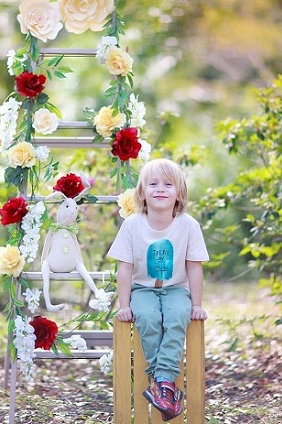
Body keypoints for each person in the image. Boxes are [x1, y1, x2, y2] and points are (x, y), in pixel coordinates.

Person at [108, 158, 209, 421]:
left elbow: (194, 267)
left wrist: (196, 304)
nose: (160, 189)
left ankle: (161, 383)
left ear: (179, 194)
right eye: (152, 184)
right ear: (142, 192)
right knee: (149, 319)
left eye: (168, 184)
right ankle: (166, 385)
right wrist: (124, 306)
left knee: (177, 317)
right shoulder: (132, 225)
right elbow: (125, 268)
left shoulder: (188, 225)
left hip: (176, 289)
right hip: (142, 290)